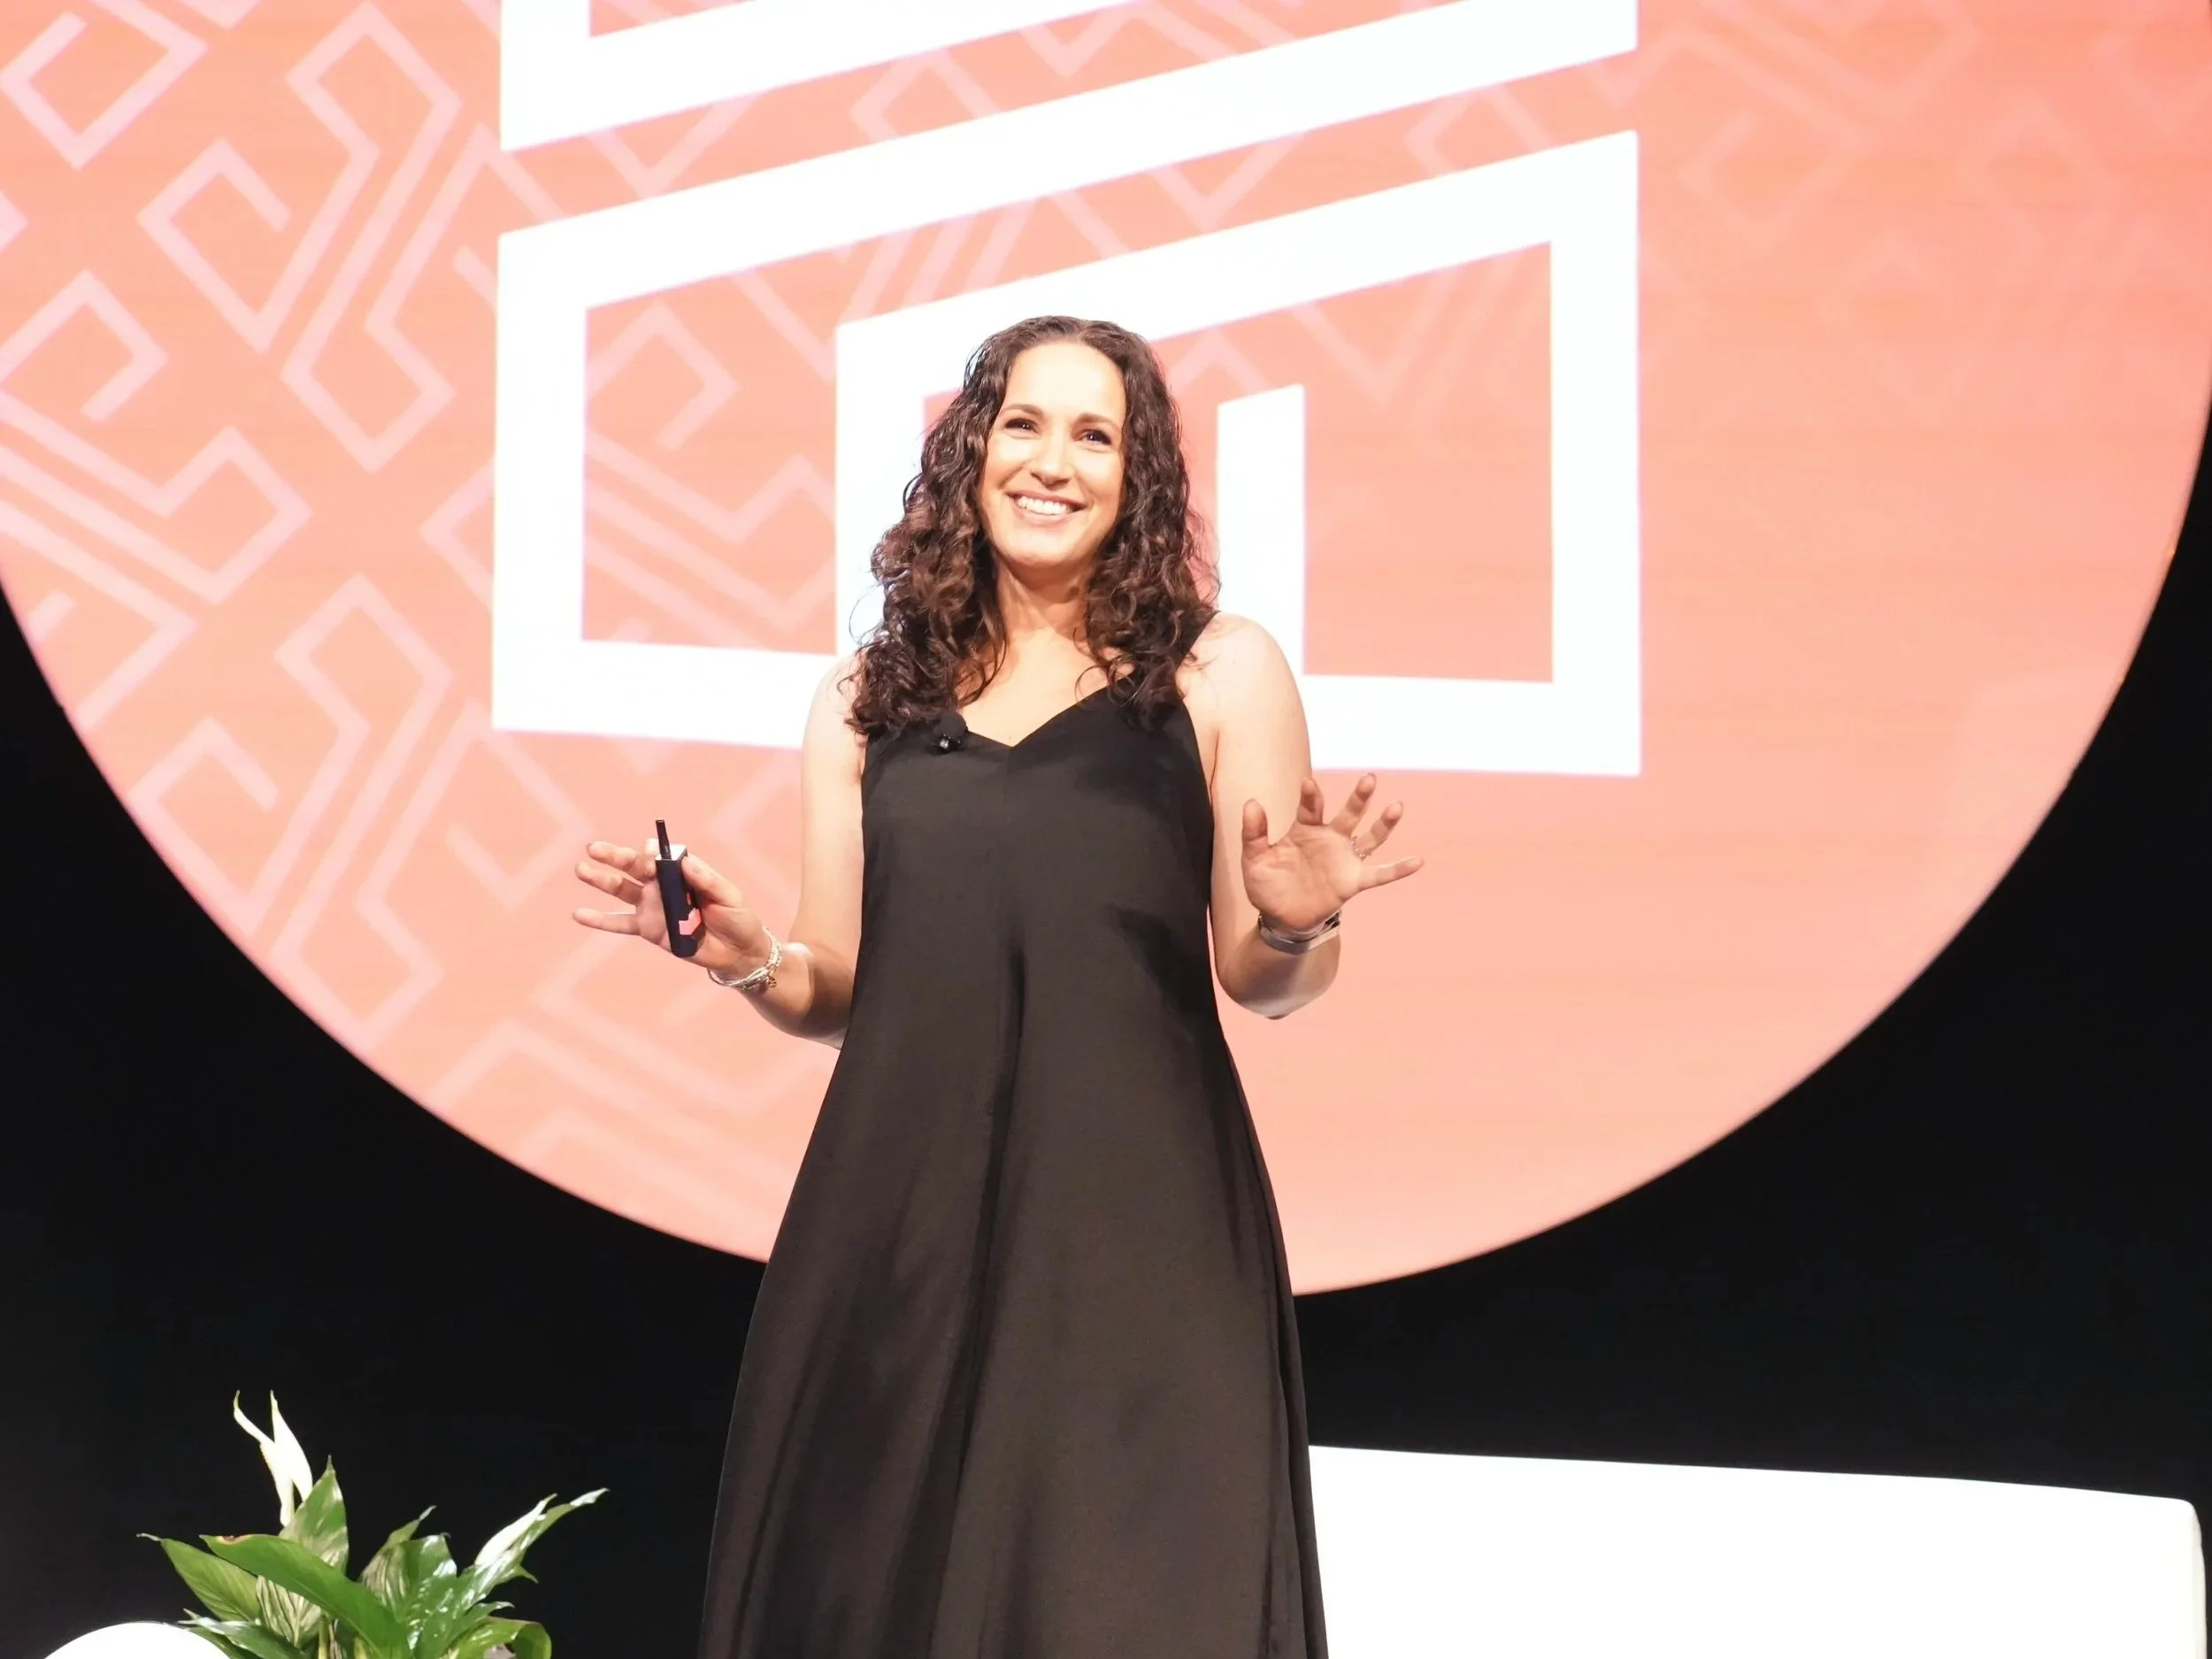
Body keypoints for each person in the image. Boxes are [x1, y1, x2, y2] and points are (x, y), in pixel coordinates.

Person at [572, 314, 1421, 1658]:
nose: (1053, 460)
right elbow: (837, 981)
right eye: (1025, 422)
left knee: (1133, 1589)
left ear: (1138, 474)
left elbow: (1264, 983)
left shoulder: (1219, 670)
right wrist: (749, 961)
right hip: (901, 1220)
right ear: (971, 450)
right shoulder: (865, 697)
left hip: (1139, 1220)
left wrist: (1298, 923)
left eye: (1097, 434)